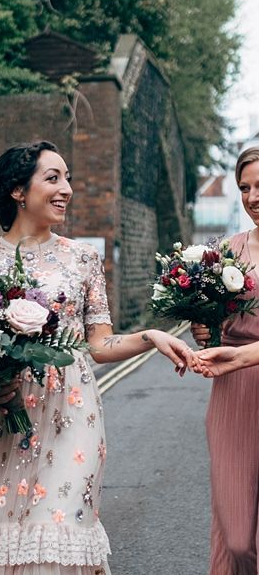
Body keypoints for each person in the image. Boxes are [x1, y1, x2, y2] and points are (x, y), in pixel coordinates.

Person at [0, 141, 194, 575]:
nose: (67, 189)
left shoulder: (83, 258)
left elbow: (99, 345)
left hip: (70, 413)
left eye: (68, 178)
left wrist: (150, 336)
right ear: (19, 190)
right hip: (1, 415)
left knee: (59, 530)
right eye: (53, 178)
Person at [188, 145, 259, 575]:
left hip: (242, 363)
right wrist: (205, 330)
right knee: (236, 539)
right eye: (245, 188)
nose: (253, 197)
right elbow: (212, 323)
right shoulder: (227, 252)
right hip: (234, 394)